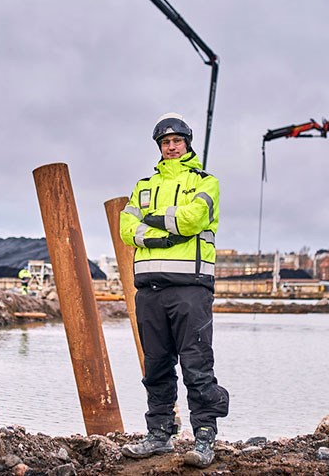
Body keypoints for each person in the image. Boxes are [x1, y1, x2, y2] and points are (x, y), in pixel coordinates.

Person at [118, 112, 229, 469]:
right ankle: (159, 434)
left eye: (176, 141)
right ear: (159, 147)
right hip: (149, 290)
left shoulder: (206, 182)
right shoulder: (143, 186)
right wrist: (166, 231)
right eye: (165, 143)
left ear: (187, 143)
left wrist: (150, 223)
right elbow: (125, 227)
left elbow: (193, 219)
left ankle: (205, 437)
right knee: (156, 367)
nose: (171, 147)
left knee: (197, 365)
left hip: (191, 289)